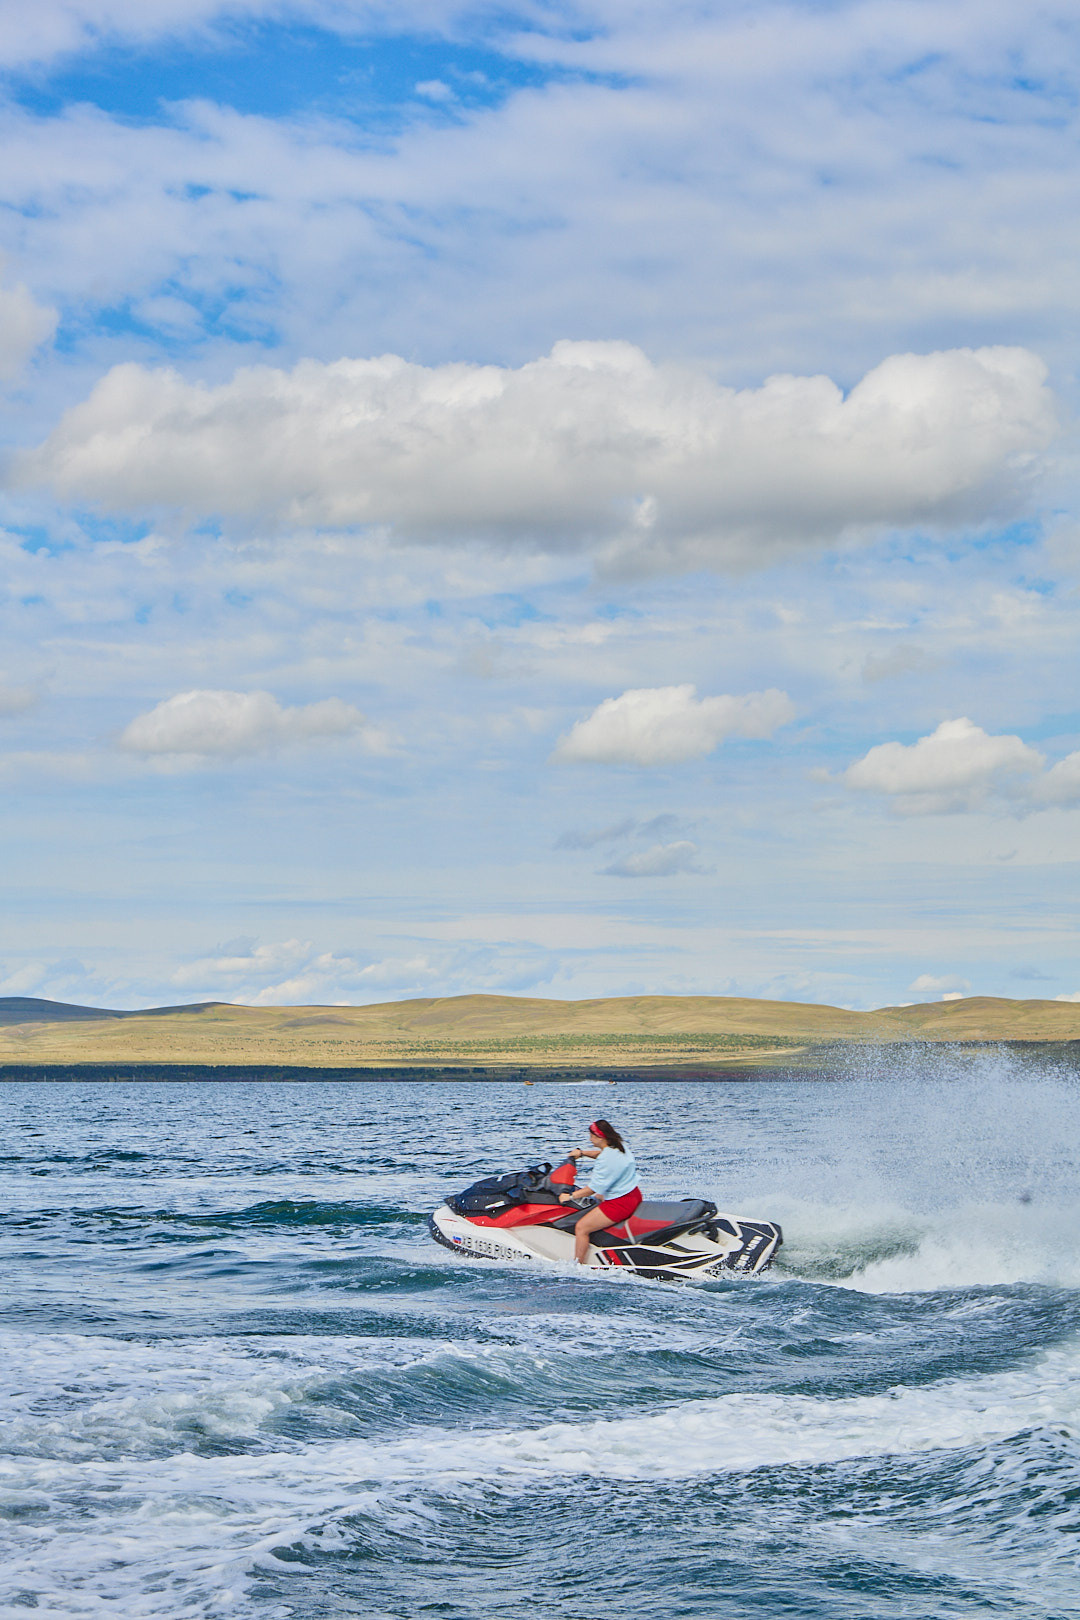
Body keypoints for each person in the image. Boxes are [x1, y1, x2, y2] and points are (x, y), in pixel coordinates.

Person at [558, 1119, 641, 1264]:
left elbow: (591, 1189)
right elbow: (601, 1154)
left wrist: (569, 1196)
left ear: (600, 1137)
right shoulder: (619, 1147)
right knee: (599, 1196)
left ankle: (578, 1265)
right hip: (633, 1194)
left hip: (619, 1203)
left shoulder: (606, 1159)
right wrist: (582, 1153)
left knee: (581, 1227)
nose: (590, 1140)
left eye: (591, 1136)